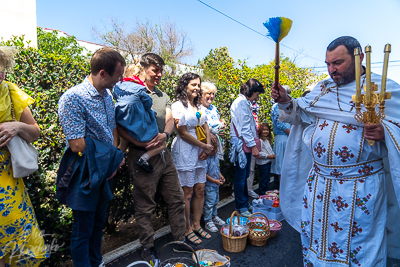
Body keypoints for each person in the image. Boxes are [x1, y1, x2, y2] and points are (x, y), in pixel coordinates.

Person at [274, 36, 400, 266]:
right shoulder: (322, 89)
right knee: (319, 239)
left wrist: (386, 132)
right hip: (320, 185)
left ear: (360, 57)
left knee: (358, 246)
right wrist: (286, 101)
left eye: (338, 63)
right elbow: (300, 115)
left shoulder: (382, 89)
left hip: (360, 186)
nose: (332, 70)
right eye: (328, 64)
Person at [117, 53, 191, 264]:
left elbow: (169, 120)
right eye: (154, 70)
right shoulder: (130, 92)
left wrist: (165, 135)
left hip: (163, 153)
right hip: (141, 156)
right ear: (143, 69)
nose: (158, 75)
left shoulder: (162, 95)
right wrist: (141, 144)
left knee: (176, 199)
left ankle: (180, 240)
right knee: (144, 206)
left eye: (160, 71)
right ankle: (148, 247)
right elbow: (120, 126)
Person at [58, 47, 126, 267]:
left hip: (104, 170)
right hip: (85, 172)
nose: (121, 80)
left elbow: (112, 130)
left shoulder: (107, 96)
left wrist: (113, 157)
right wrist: (111, 155)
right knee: (82, 230)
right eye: (118, 75)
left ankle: (96, 263)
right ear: (103, 73)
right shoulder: (73, 98)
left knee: (98, 225)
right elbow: (77, 144)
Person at [0, 47, 48, 267]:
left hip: (8, 183)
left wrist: (18, 126)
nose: (1, 75)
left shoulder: (9, 92)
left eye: (2, 69)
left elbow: (35, 132)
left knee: (19, 248)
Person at [171, 72, 214, 245]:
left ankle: (197, 224)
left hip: (200, 150)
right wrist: (203, 146)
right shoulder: (177, 106)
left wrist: (208, 146)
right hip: (185, 151)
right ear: (184, 86)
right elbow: (182, 133)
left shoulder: (200, 106)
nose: (197, 88)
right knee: (186, 193)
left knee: (200, 189)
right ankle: (187, 227)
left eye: (198, 85)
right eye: (193, 85)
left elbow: (205, 126)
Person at [114, 62, 166, 172]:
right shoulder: (139, 89)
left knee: (122, 146)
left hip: (123, 120)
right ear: (138, 76)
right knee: (161, 144)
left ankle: (114, 161)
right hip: (137, 125)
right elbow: (148, 103)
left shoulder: (117, 86)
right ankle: (144, 158)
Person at [229, 78, 265, 218]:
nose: (257, 96)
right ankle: (241, 205)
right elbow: (244, 128)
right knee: (240, 176)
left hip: (243, 144)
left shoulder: (244, 102)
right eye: (257, 93)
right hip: (242, 145)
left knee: (244, 175)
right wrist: (253, 146)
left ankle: (243, 202)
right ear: (252, 91)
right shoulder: (242, 103)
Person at [203, 136, 226, 233]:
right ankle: (208, 220)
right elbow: (204, 174)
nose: (215, 151)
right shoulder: (206, 158)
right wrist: (214, 180)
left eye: (216, 149)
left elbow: (217, 168)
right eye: (213, 150)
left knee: (215, 200)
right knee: (209, 203)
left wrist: (220, 176)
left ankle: (214, 216)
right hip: (210, 184)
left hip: (216, 184)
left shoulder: (215, 156)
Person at [270, 86, 291, 186]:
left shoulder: (286, 105)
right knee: (281, 164)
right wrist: (291, 133)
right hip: (282, 136)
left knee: (287, 164)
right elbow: (280, 124)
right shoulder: (276, 106)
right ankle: (282, 189)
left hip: (287, 136)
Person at [201, 82, 226, 160]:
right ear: (201, 94)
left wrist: (222, 132)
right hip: (203, 145)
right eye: (209, 93)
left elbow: (218, 124)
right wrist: (208, 134)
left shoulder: (214, 108)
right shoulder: (197, 108)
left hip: (215, 147)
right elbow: (196, 126)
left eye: (213, 94)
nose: (211, 96)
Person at [256, 122, 275, 195]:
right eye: (263, 130)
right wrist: (268, 156)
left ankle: (266, 191)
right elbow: (258, 152)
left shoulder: (266, 140)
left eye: (267, 130)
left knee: (267, 178)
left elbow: (269, 149)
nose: (265, 131)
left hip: (267, 162)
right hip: (263, 163)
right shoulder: (260, 141)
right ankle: (262, 193)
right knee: (264, 179)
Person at [247, 100, 261, 198]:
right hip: (248, 140)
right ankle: (246, 190)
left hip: (254, 137)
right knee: (247, 169)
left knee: (251, 168)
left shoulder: (254, 103)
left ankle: (248, 188)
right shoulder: (242, 103)